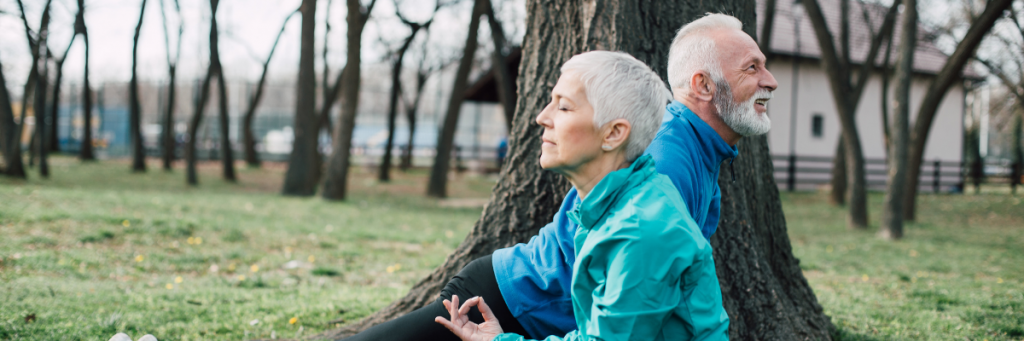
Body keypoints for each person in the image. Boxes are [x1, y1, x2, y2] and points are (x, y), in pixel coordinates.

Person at [342, 13, 777, 340]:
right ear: (702, 85)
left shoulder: (671, 177)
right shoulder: (669, 159)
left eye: (563, 106)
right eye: (752, 68)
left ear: (614, 134)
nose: (770, 81)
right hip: (516, 300)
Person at [435, 50, 728, 341]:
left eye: (563, 107)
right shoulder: (615, 203)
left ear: (613, 133)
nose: (541, 118)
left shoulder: (643, 229)